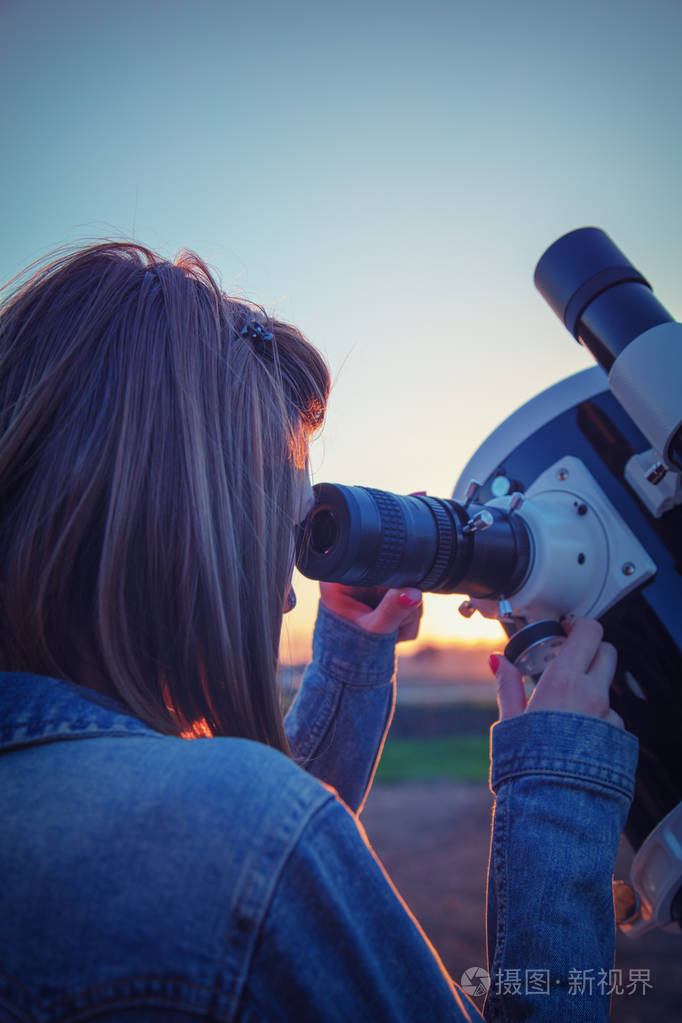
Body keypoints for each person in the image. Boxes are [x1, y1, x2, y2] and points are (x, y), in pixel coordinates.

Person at [0, 242, 638, 1022]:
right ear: (192, 533)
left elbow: (236, 888)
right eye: (274, 530)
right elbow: (250, 859)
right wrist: (560, 788)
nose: (283, 599)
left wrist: (352, 653)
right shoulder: (240, 830)